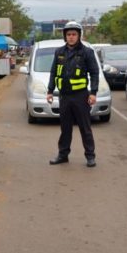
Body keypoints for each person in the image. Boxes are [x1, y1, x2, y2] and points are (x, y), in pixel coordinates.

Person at [46, 21, 99, 167]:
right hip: (64, 96)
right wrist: (50, 91)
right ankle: (63, 155)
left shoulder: (86, 52)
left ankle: (90, 156)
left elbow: (94, 73)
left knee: (85, 127)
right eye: (68, 34)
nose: (71, 37)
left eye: (74, 34)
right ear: (65, 36)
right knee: (65, 128)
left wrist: (93, 93)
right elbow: (53, 72)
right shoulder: (59, 52)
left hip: (81, 96)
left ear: (79, 36)